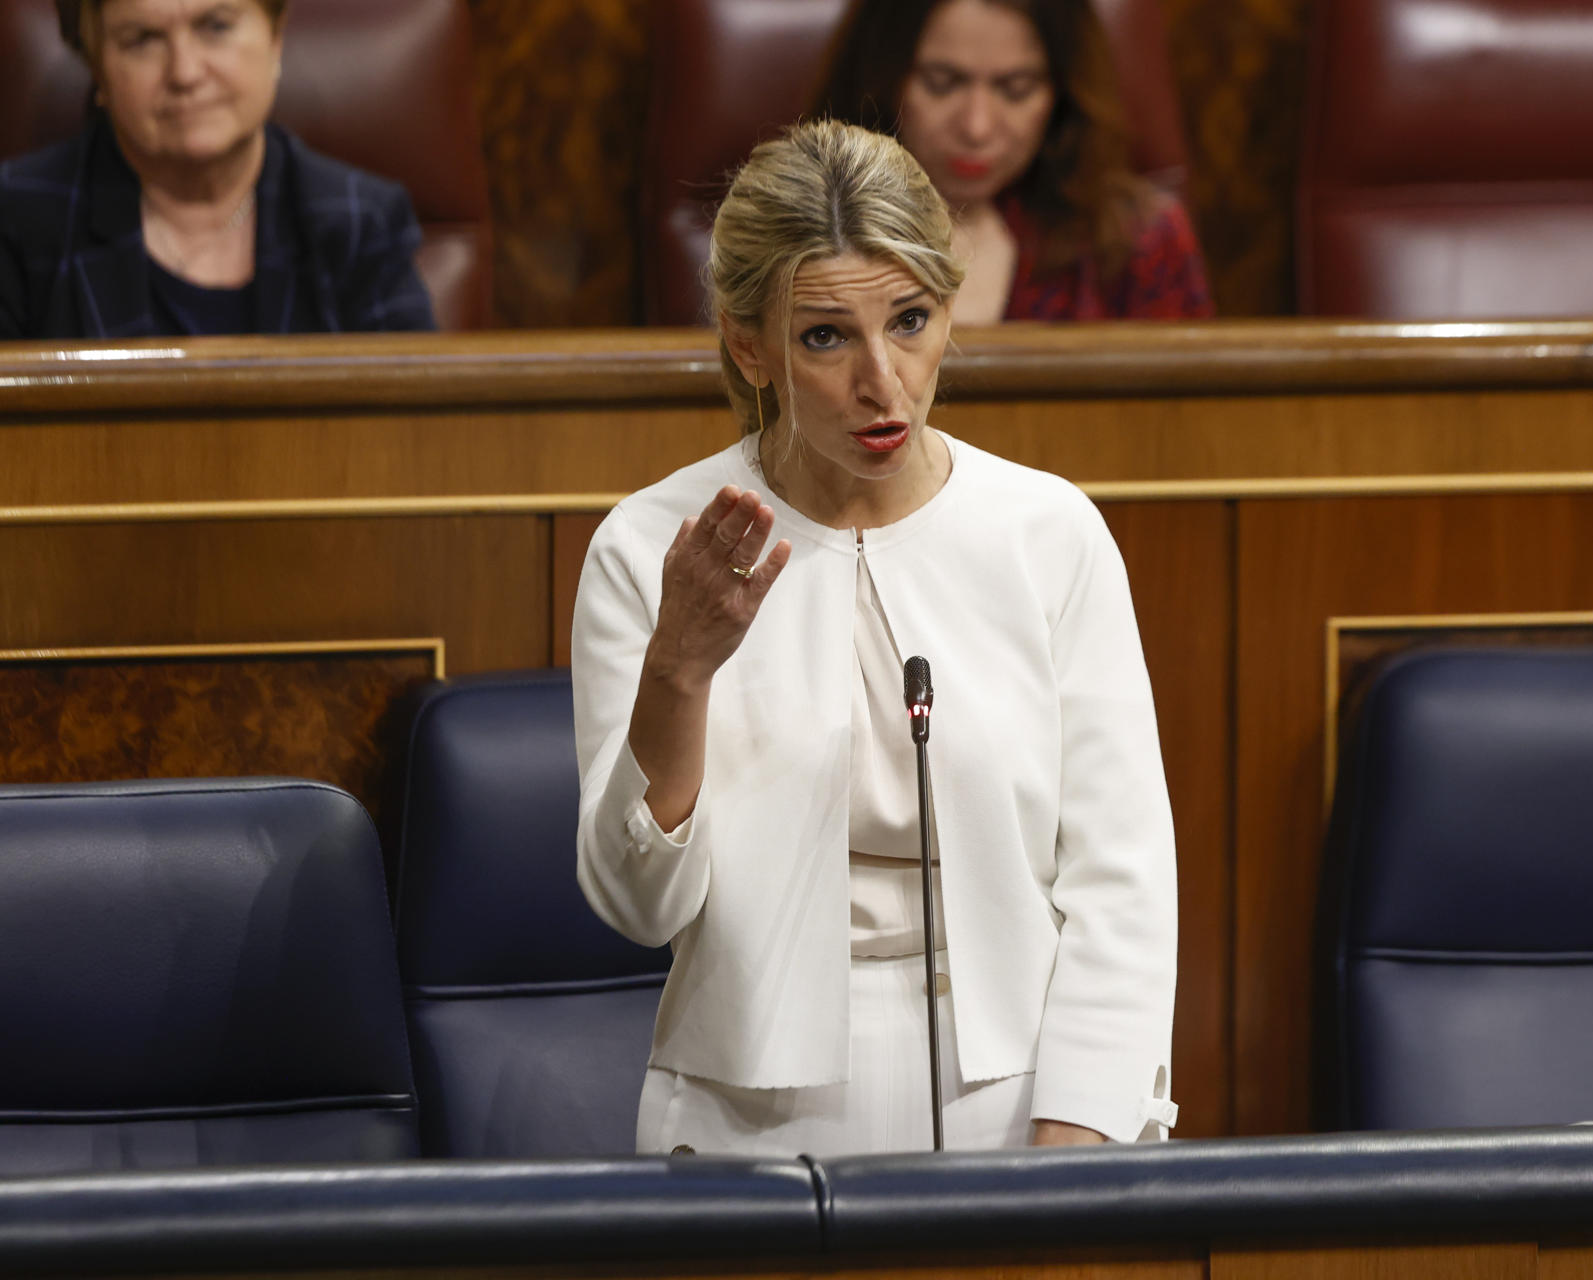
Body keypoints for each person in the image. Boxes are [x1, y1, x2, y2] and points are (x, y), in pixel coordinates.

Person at [572, 119, 1178, 1156]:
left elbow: (1123, 874)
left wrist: (1079, 1132)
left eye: (909, 320)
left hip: (1026, 1088)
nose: (882, 383)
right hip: (745, 1108)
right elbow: (638, 903)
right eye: (825, 336)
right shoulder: (652, 548)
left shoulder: (1049, 531)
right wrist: (678, 668)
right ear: (747, 342)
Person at [0, 0, 436, 339]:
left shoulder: (362, 222)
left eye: (216, 26)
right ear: (96, 65)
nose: (185, 73)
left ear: (275, 37)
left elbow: (412, 437)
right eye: (142, 39)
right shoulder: (16, 220)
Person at [814, 0, 1213, 325]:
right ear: (879, 77)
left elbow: (1182, 419)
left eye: (1016, 89)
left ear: (1062, 93)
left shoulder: (1142, 241)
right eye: (942, 82)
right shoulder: (792, 231)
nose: (977, 127)